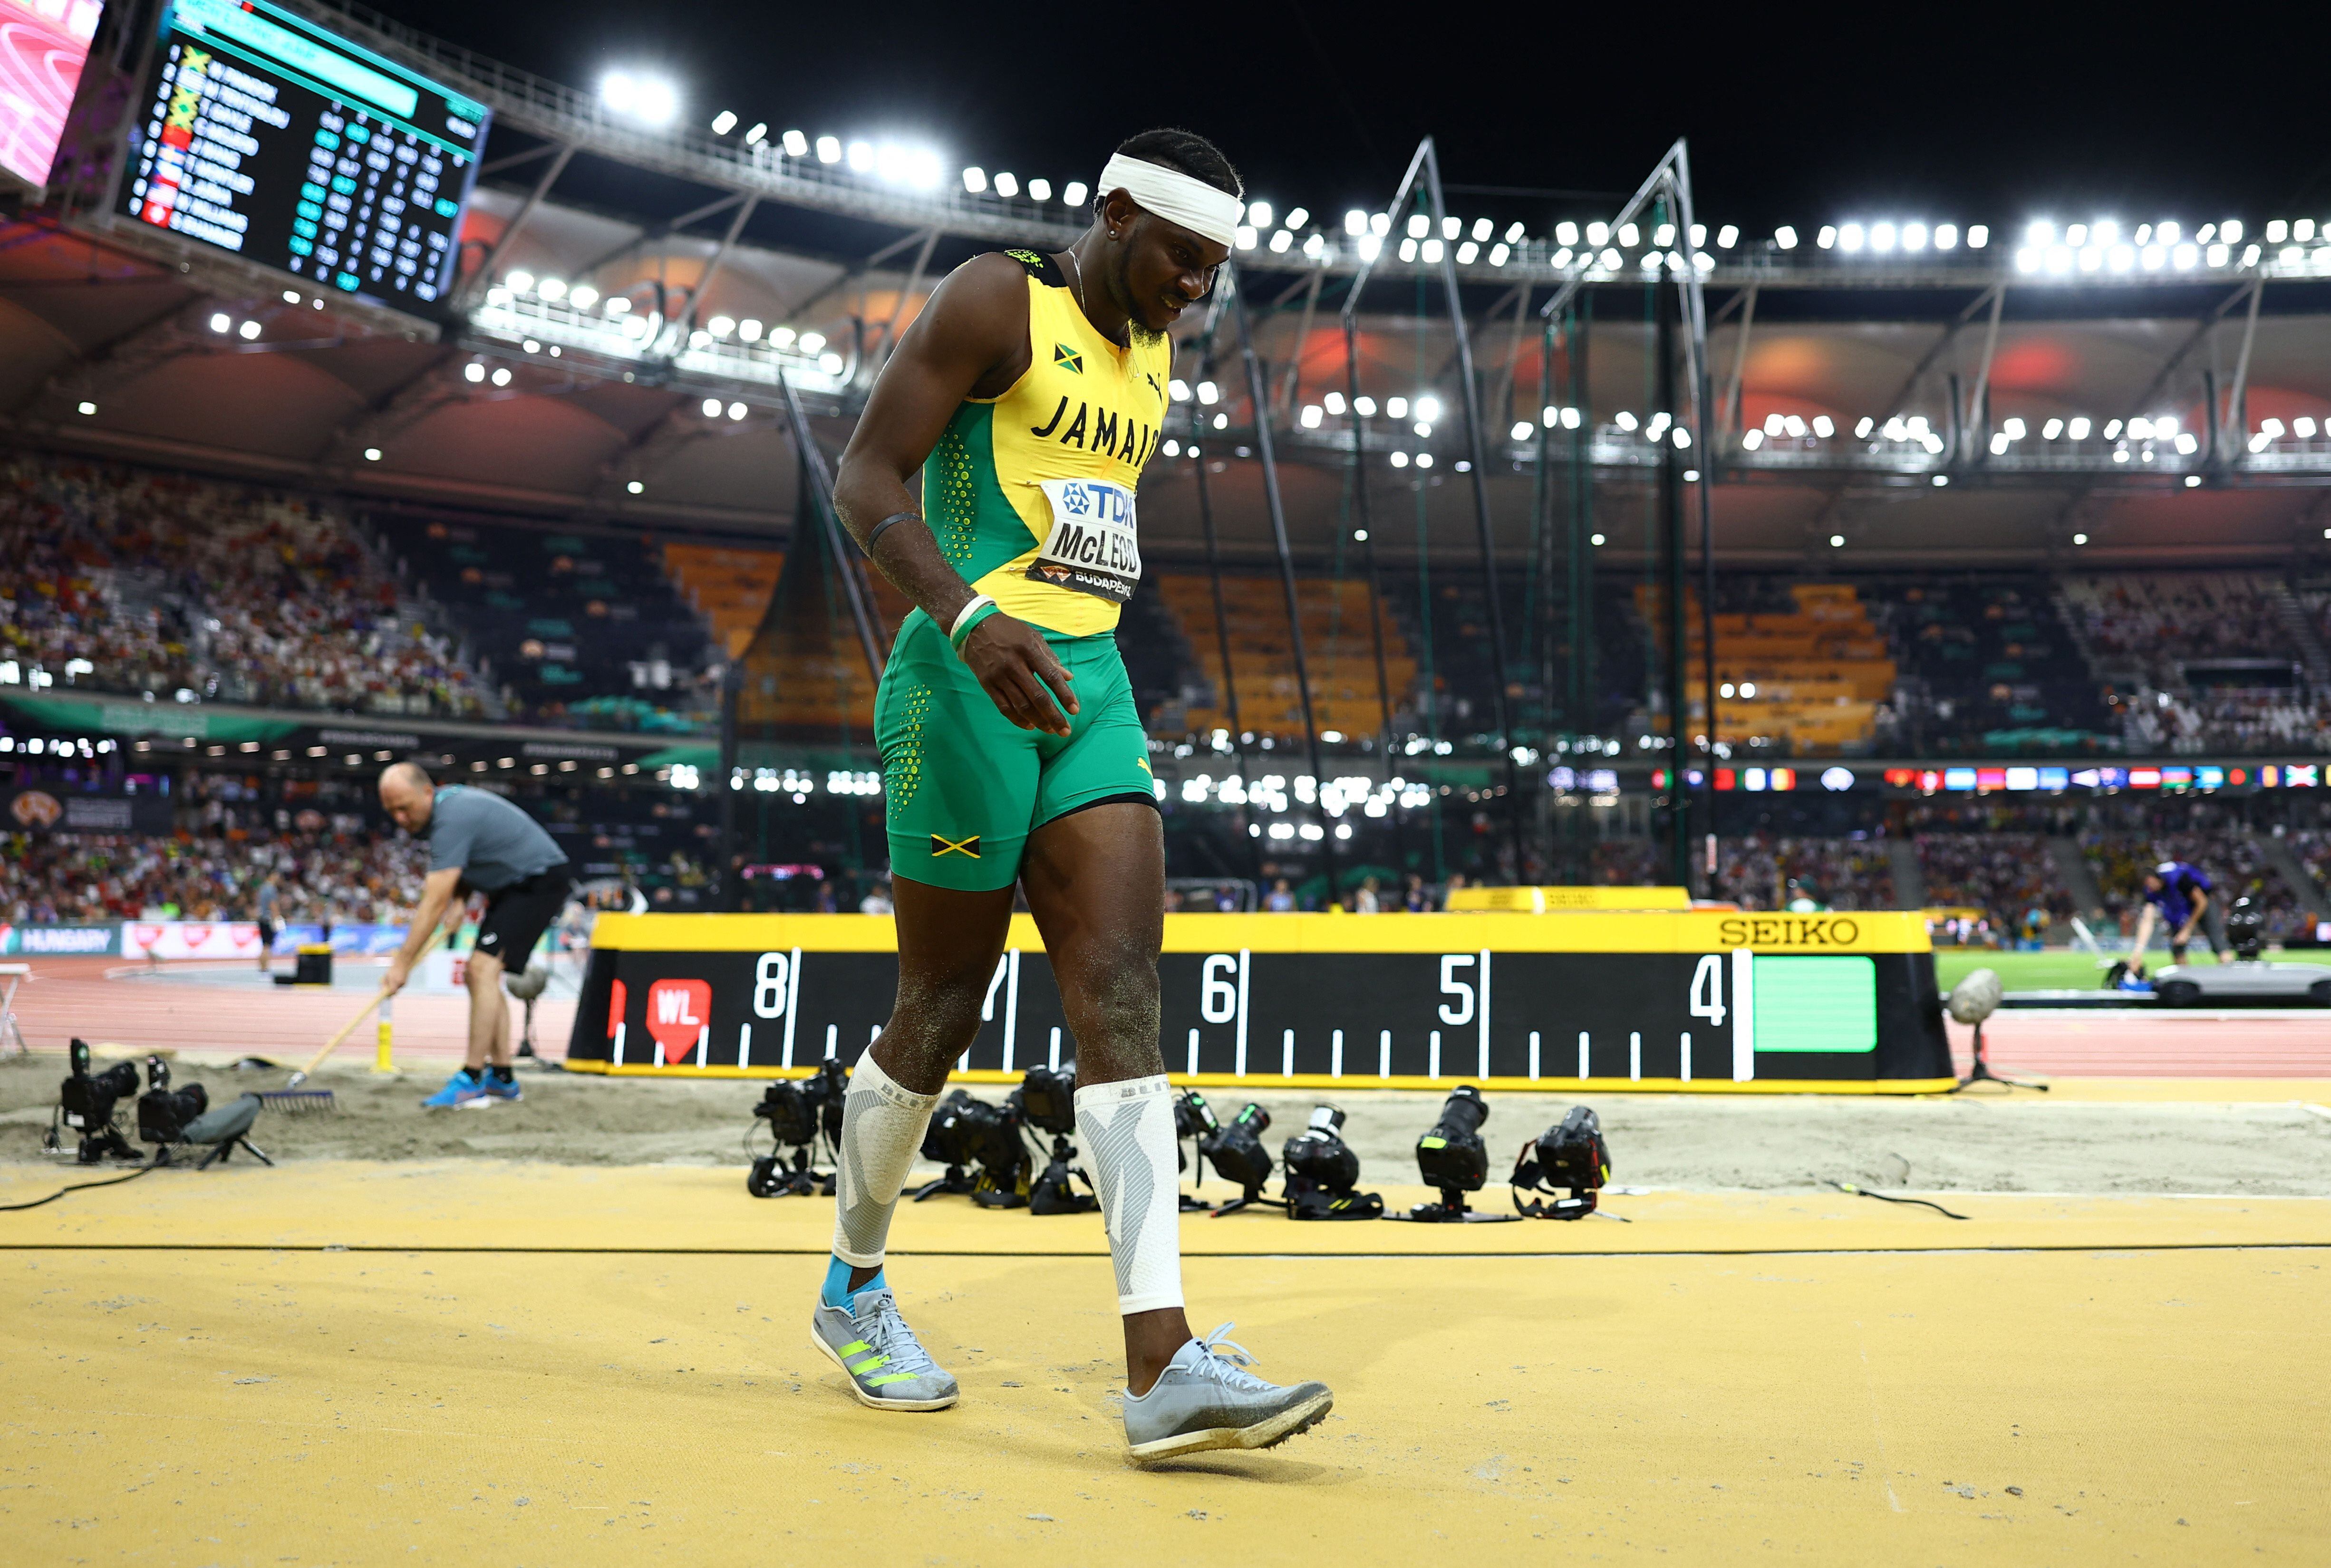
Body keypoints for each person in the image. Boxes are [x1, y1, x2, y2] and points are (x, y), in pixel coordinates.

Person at [825, 127, 1330, 1459]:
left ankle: (1159, 1361)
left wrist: (1046, 632)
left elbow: (1077, 507)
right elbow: (863, 476)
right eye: (1178, 259)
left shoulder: (1153, 344)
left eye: (1214, 270)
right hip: (961, 681)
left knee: (1119, 994)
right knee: (934, 1012)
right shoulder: (996, 299)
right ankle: (852, 1288)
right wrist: (968, 616)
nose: (1194, 292)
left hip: (1087, 685)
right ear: (1113, 215)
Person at [376, 763, 574, 1107]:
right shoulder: (446, 808)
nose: (400, 819)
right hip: (512, 887)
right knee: (482, 973)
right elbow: (475, 855)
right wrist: (460, 901)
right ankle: (502, 1077)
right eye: (392, 811)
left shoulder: (451, 818)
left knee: (481, 970)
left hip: (536, 882)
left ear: (427, 792)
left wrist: (402, 964)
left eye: (404, 807)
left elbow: (432, 900)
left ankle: (472, 1075)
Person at [2126, 859, 2225, 975]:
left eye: (2150, 883)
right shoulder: (2151, 891)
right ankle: (2186, 982)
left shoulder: (2178, 879)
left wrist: (2187, 930)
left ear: (2157, 878)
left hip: (2202, 904)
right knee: (2177, 948)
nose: (2150, 888)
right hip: (2179, 911)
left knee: (2219, 944)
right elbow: (2147, 920)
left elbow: (2202, 902)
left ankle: (2228, 977)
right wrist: (2138, 953)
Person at [251, 873, 279, 972]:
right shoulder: (271, 889)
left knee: (264, 945)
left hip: (261, 918)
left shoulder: (262, 889)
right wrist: (277, 918)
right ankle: (265, 967)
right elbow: (273, 904)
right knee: (268, 945)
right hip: (268, 919)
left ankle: (262, 967)